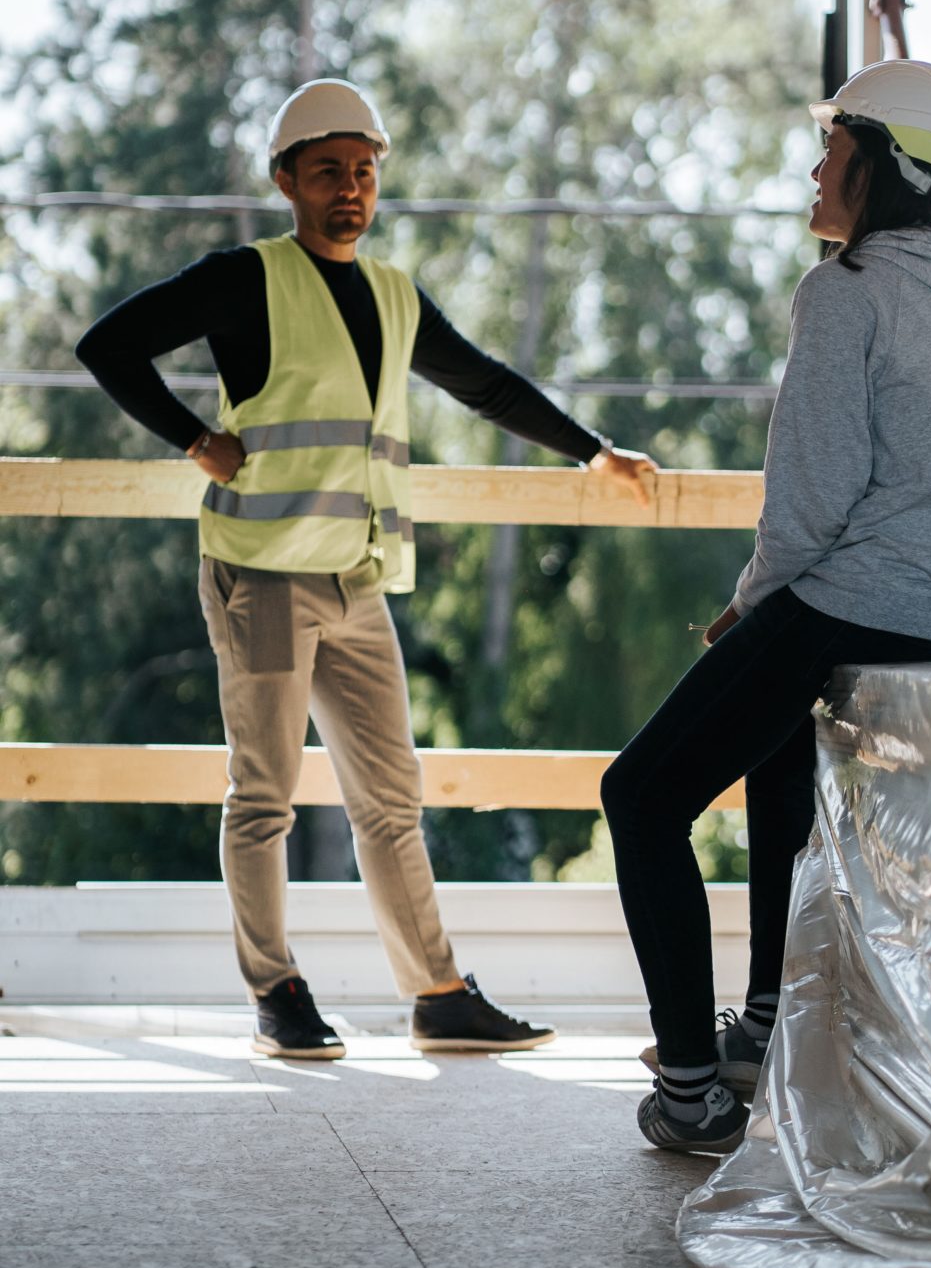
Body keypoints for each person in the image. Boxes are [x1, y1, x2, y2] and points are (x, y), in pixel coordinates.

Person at [77, 78, 656, 1061]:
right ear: (287, 181)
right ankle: (277, 991)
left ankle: (435, 992)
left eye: (365, 171)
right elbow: (109, 345)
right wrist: (192, 437)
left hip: (356, 581)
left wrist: (592, 448)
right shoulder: (243, 276)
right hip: (259, 573)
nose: (351, 188)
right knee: (263, 796)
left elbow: (486, 382)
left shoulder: (392, 293)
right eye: (329, 172)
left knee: (392, 796)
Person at [601, 59, 931, 1155]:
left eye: (833, 147)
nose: (814, 167)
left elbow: (810, 497)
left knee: (641, 796)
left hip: (865, 602)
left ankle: (694, 1089)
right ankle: (764, 1027)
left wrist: (751, 603)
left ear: (882, 165)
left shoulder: (846, 289)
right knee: (773, 750)